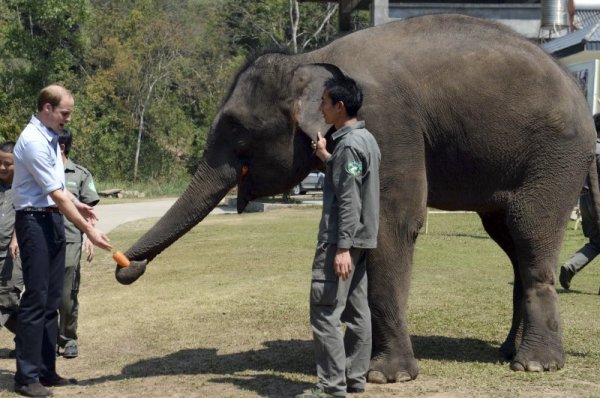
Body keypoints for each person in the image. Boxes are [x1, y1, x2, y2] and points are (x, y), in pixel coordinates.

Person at [12, 84, 112, 397]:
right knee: (35, 299)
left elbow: (59, 189)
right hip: (33, 222)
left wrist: (78, 202)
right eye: (64, 113)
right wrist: (88, 229)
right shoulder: (33, 141)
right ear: (47, 108)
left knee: (52, 300)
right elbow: (56, 194)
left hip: (51, 219)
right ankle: (26, 378)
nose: (67, 119)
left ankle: (45, 371)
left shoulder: (51, 139)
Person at [297, 76, 380, 398]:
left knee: (325, 312)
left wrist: (341, 247)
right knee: (358, 314)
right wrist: (327, 157)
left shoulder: (349, 145)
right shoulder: (365, 140)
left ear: (340, 106)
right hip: (362, 241)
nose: (321, 107)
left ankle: (331, 388)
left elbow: (349, 200)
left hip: (342, 242)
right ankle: (354, 379)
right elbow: (353, 183)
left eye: (324, 102)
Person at [56, 131, 99, 359]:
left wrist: (90, 236)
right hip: (43, 240)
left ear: (61, 146)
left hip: (70, 240)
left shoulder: (80, 174)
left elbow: (90, 209)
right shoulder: (41, 171)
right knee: (43, 293)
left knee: (66, 294)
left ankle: (68, 338)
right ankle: (48, 338)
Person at [560, 113, 600, 291]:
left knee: (597, 242)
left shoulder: (585, 149)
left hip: (585, 201)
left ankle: (571, 266)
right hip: (598, 201)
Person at [0, 141, 22, 351]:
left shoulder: (25, 186)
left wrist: (15, 239)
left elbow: (24, 217)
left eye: (8, 164)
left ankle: (38, 338)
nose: (2, 168)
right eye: (0, 162)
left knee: (8, 301)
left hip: (12, 255)